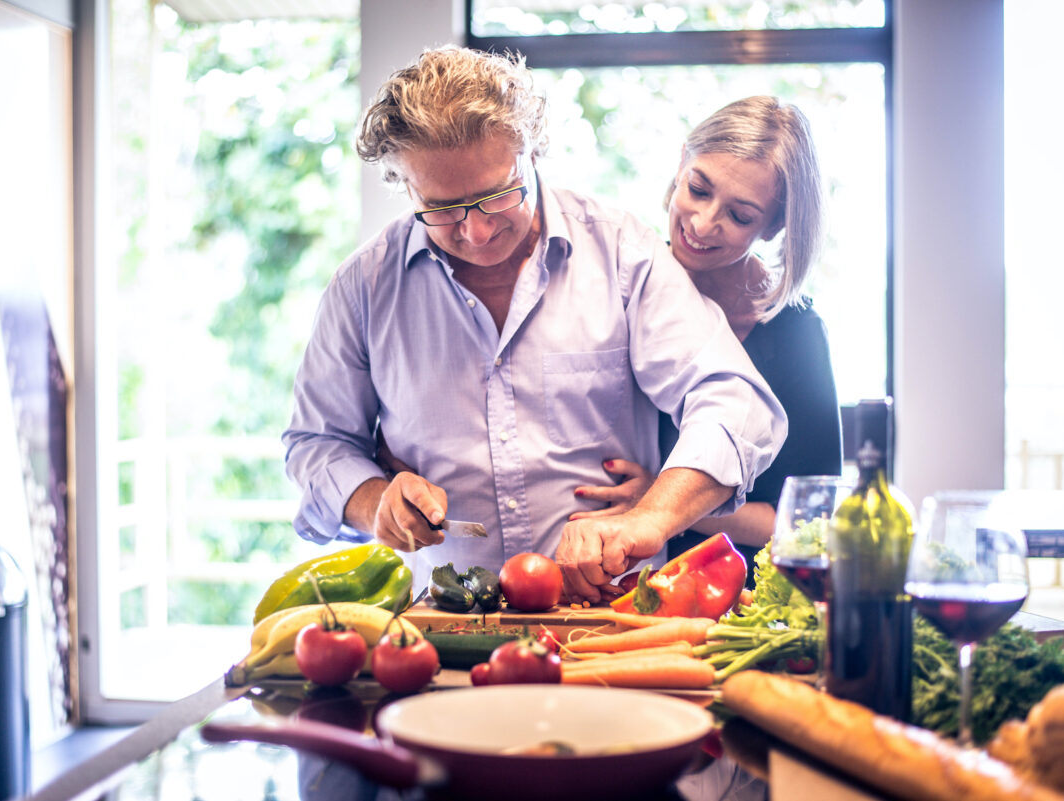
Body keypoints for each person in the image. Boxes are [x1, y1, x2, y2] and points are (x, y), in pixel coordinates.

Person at [282, 47, 787, 604]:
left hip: (616, 619)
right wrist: (373, 500)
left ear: (533, 150)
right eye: (443, 208)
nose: (475, 232)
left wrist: (650, 519)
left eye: (498, 195)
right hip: (438, 626)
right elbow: (317, 443)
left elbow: (735, 400)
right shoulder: (364, 287)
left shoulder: (623, 255)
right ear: (406, 185)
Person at [571, 96, 843, 568]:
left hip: (741, 598)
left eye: (740, 216)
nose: (702, 223)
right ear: (682, 164)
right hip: (616, 581)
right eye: (698, 189)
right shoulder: (618, 289)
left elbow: (809, 524)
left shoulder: (796, 335)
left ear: (776, 226)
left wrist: (662, 507)